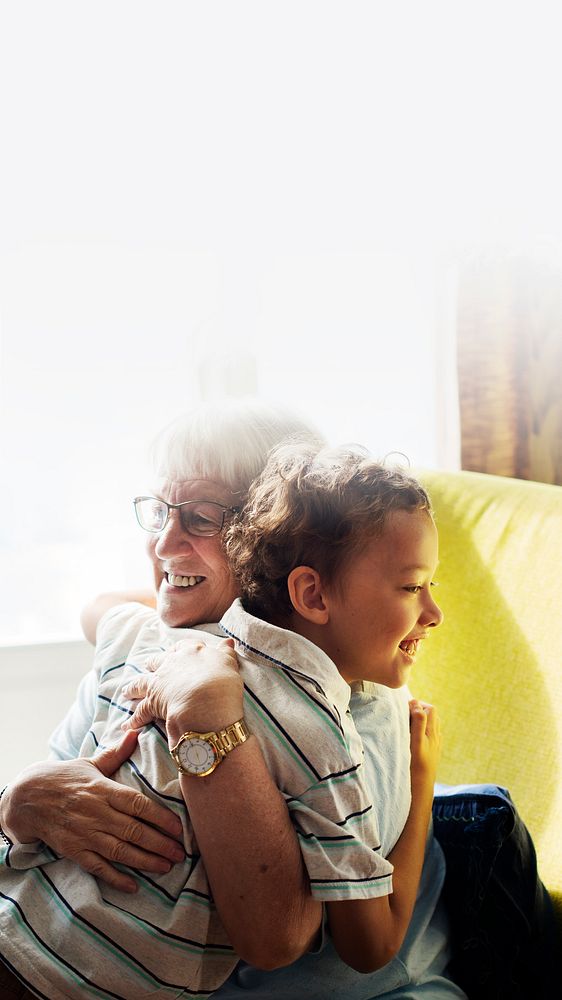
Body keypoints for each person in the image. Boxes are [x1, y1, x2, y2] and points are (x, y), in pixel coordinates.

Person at [0, 434, 456, 998]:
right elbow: (101, 612)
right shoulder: (177, 650)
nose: (166, 543)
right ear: (308, 591)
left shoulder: (355, 724)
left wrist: (204, 722)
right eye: (414, 587)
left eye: (201, 519)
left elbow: (285, 940)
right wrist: (14, 799)